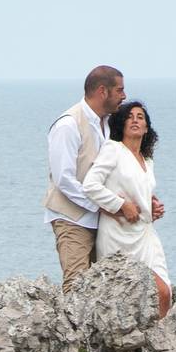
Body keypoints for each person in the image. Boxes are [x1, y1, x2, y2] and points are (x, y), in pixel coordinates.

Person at [83, 101, 171, 318]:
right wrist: (121, 204)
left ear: (146, 127)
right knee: (140, 294)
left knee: (164, 291)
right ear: (121, 124)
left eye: (140, 117)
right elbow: (90, 185)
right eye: (129, 116)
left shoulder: (147, 160)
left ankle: (158, 341)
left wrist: (152, 207)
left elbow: (141, 192)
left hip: (145, 235)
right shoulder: (113, 150)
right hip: (118, 234)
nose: (134, 120)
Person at [43, 65, 126, 293]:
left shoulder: (109, 124)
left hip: (101, 219)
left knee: (103, 286)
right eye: (119, 90)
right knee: (76, 283)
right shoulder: (68, 125)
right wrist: (102, 205)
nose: (124, 96)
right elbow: (64, 180)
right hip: (71, 219)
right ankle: (71, 329)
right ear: (102, 91)